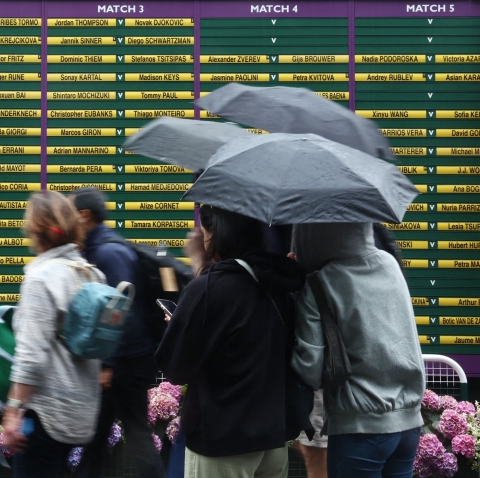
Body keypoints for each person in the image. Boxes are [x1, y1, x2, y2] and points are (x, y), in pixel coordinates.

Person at [156, 205, 305, 478]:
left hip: (222, 440)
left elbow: (176, 368)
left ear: (217, 234)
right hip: (273, 438)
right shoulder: (279, 283)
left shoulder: (208, 289)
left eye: (204, 230)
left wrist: (174, 327)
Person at [290, 223, 424, 478]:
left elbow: (310, 369)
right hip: (408, 425)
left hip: (359, 427)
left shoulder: (321, 281)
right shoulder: (389, 264)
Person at [1, 191, 105, 477]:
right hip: (79, 411)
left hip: (44, 415)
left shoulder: (41, 277)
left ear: (35, 229)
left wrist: (12, 411)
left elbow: (30, 356)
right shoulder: (91, 274)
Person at [70, 187, 164, 478]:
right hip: (122, 359)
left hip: (124, 362)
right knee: (97, 436)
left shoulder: (108, 252)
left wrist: (108, 366)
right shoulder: (101, 249)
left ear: (84, 215)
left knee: (133, 432)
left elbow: (118, 310)